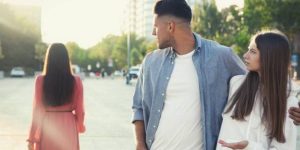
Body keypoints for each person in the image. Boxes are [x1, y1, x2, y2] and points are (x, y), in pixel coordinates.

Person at [131, 0, 300, 150]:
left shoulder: (221, 56)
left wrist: (294, 108)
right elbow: (138, 107)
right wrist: (139, 144)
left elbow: (266, 81)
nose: (153, 33)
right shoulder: (151, 61)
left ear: (170, 26)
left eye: (155, 26)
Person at [217, 31, 299, 150]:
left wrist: (249, 147)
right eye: (248, 49)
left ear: (270, 57)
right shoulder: (236, 84)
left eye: (253, 52)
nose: (245, 55)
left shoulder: (289, 102)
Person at [27, 43, 85, 150]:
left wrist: (31, 138)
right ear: (66, 60)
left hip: (48, 128)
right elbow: (80, 110)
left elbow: (37, 111)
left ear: (48, 59)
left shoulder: (40, 80)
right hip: (69, 127)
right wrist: (80, 127)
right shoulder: (76, 81)